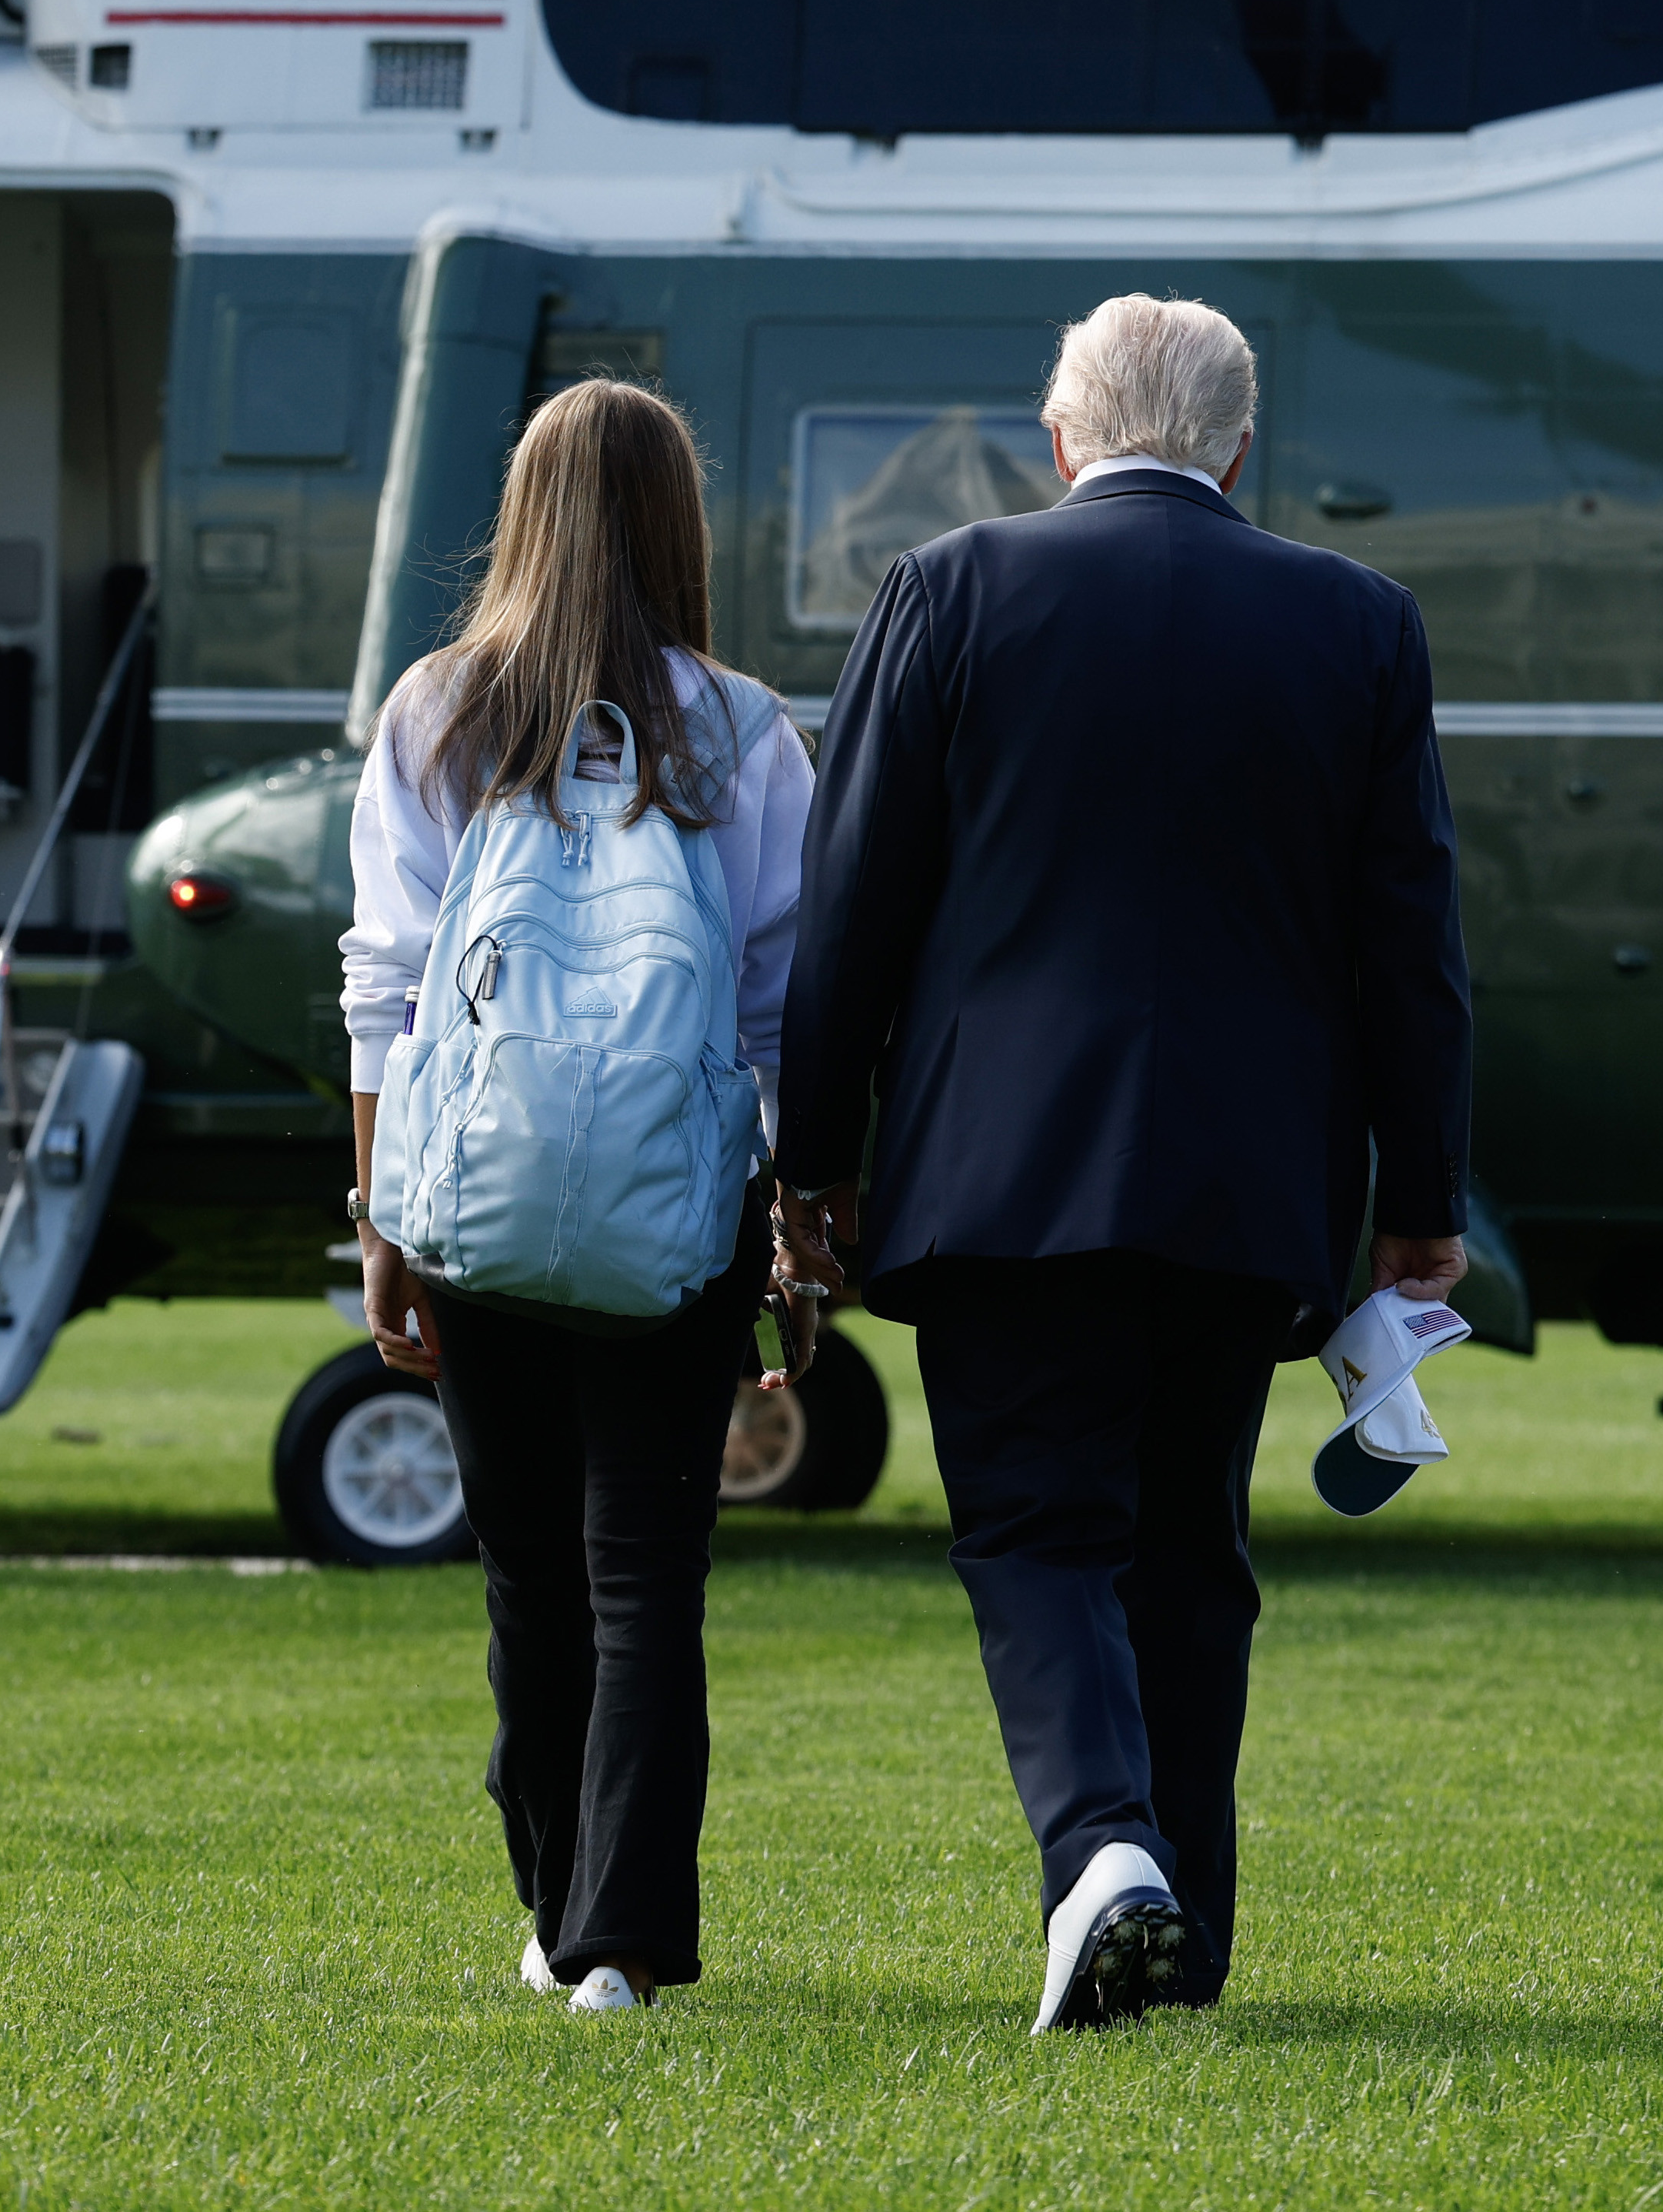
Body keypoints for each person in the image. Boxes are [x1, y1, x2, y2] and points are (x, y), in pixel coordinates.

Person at [772, 293, 1473, 2034]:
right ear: (1241, 448)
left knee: (1033, 1528)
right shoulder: (1359, 624)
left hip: (996, 1169)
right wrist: (1421, 1200)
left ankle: (1101, 1850)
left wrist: (810, 1160)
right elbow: (1413, 944)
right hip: (1246, 1181)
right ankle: (1186, 1933)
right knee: (1185, 1546)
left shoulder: (947, 590)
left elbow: (850, 915)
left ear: (1059, 434)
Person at [339, 379, 816, 2017]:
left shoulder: (434, 713)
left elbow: (386, 986)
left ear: (521, 510)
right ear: (680, 521)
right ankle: (618, 1933)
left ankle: (553, 1897)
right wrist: (785, 1233)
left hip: (473, 1193)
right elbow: (773, 1014)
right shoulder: (743, 730)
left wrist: (378, 1219)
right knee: (642, 1578)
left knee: (526, 1575)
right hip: (672, 1210)